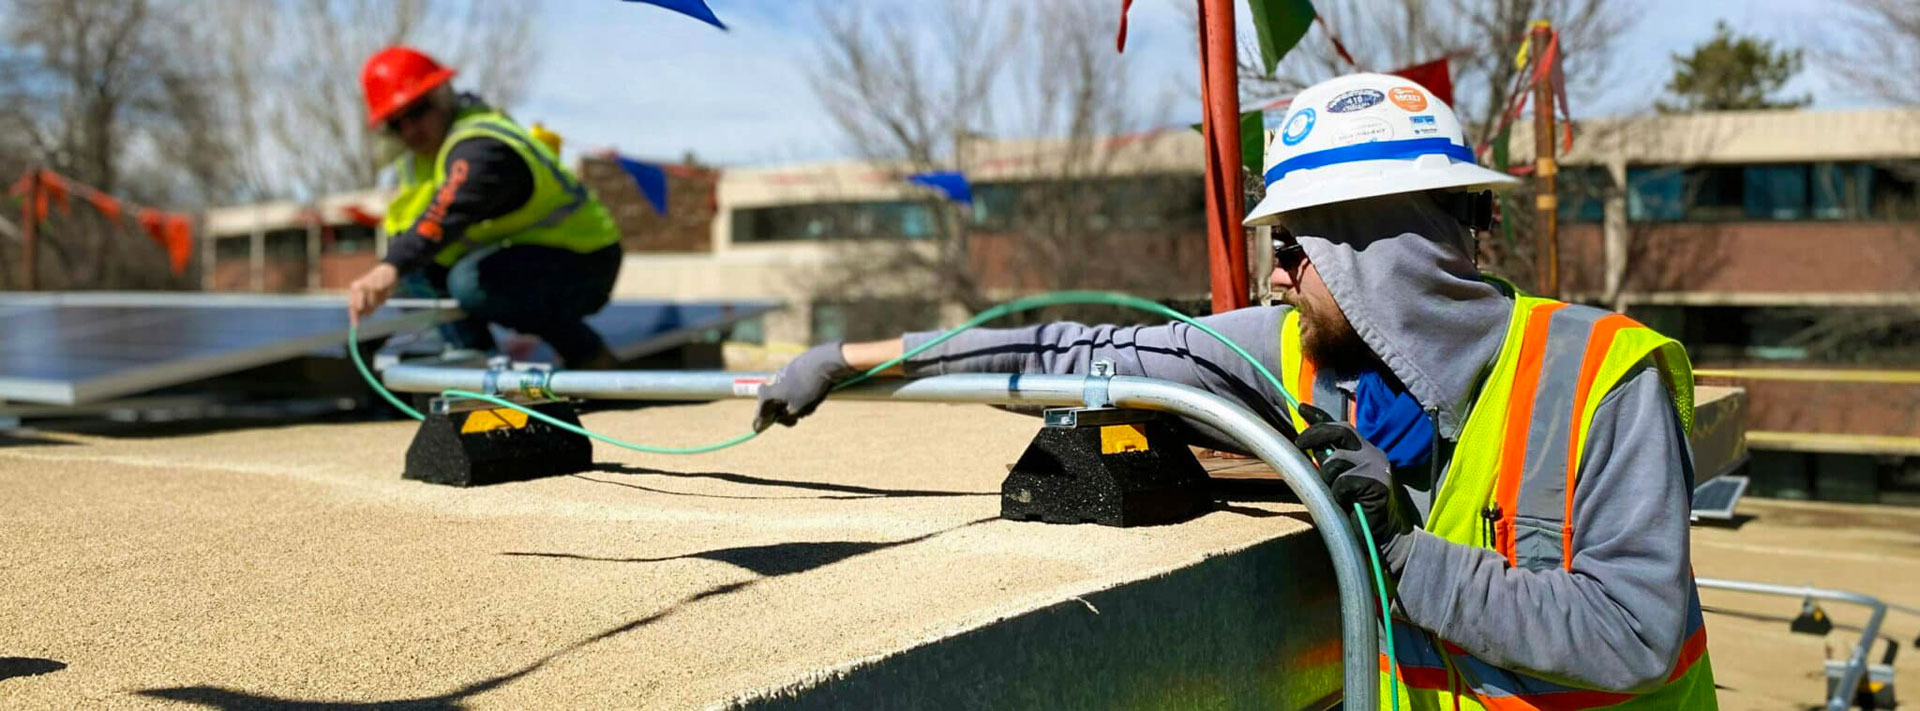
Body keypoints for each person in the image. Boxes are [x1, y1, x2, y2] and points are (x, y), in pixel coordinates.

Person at [754, 73, 1717, 709]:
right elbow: (1084, 351)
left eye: (1296, 248)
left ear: (1382, 253)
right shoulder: (1291, 350)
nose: (1277, 277)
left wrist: (1397, 550)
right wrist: (856, 357)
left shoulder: (1601, 379)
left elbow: (1628, 633)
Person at [345, 46, 625, 369]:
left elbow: (447, 212)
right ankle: (475, 368)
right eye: (395, 124)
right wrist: (397, 265)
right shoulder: (421, 161)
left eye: (418, 111)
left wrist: (388, 266)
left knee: (470, 282)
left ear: (442, 94)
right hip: (517, 258)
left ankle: (591, 356)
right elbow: (409, 231)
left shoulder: (483, 146)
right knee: (413, 273)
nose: (409, 131)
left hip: (585, 261)